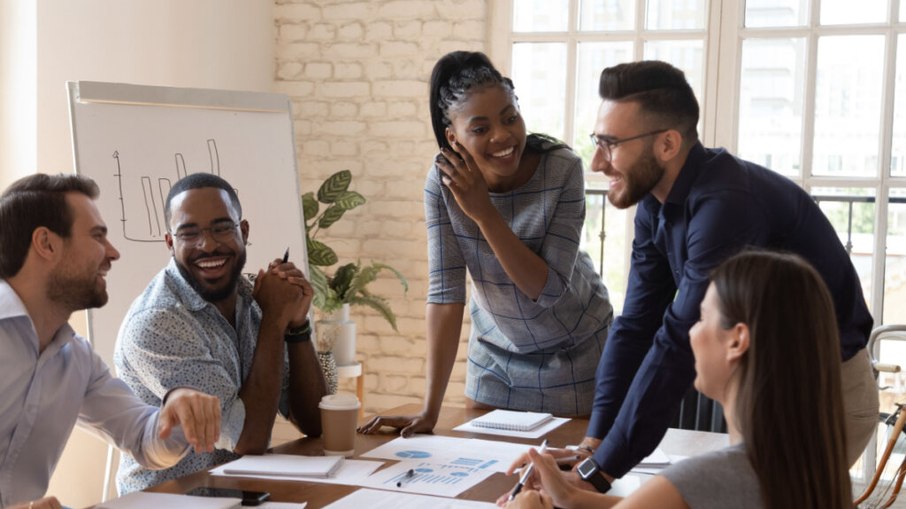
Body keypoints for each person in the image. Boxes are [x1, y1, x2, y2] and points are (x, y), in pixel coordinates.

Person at [563, 60, 876, 490]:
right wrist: (593, 445)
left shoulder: (726, 205)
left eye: (610, 144)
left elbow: (676, 341)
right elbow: (637, 324)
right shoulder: (655, 201)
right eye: (598, 141)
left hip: (822, 394)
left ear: (668, 144)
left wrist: (598, 474)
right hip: (762, 389)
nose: (597, 161)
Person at [358, 51, 613, 436]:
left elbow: (546, 289)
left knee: (565, 484)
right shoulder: (442, 183)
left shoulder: (562, 169)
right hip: (496, 358)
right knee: (484, 483)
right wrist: (430, 410)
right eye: (480, 129)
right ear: (453, 137)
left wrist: (484, 212)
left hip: (577, 353)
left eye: (510, 117)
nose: (502, 136)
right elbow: (445, 294)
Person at [506, 250, 853, 509]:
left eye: (702, 318)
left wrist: (526, 506)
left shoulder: (709, 477)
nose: (692, 333)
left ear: (737, 341)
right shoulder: (807, 470)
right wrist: (568, 495)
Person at [0, 173, 222, 509]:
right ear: (46, 244)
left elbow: (144, 439)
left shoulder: (76, 358)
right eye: (97, 237)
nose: (113, 253)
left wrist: (176, 409)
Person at [114, 173, 327, 493]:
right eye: (189, 233)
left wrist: (296, 326)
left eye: (221, 228)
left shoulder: (251, 295)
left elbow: (315, 423)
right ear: (170, 243)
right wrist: (273, 319)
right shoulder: (157, 322)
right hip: (171, 500)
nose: (208, 244)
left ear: (243, 231)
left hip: (240, 491)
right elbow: (248, 438)